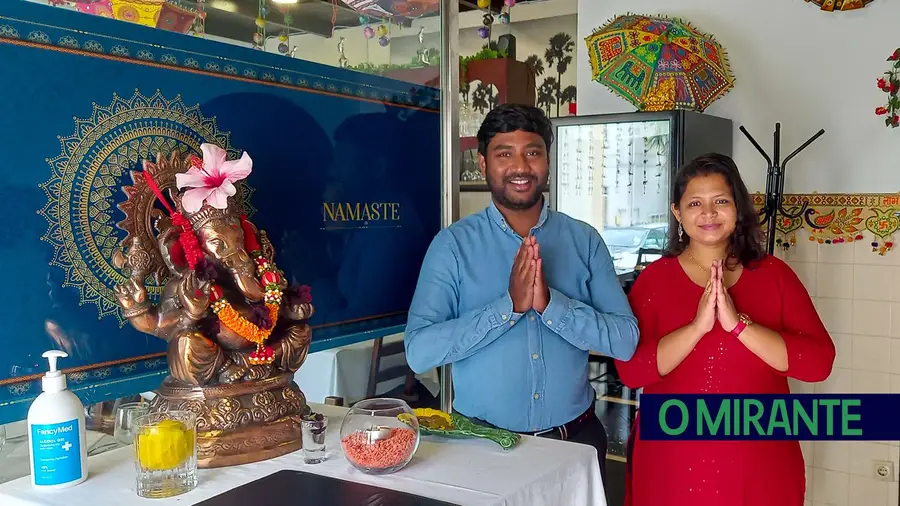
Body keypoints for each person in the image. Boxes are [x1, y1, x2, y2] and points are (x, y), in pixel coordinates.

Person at [403, 103, 639, 481]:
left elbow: (626, 341)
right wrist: (507, 308)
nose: (520, 167)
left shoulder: (584, 241)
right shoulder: (452, 247)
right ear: (483, 165)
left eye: (532, 152)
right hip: (482, 448)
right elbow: (419, 352)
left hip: (574, 445)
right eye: (504, 154)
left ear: (547, 159)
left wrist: (552, 306)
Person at [615, 153, 835, 506]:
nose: (708, 213)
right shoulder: (654, 281)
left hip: (761, 459)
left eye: (720, 201)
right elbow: (631, 370)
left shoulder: (774, 275)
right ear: (677, 212)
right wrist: (697, 328)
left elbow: (818, 364)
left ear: (738, 208)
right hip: (672, 460)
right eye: (695, 203)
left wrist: (739, 327)